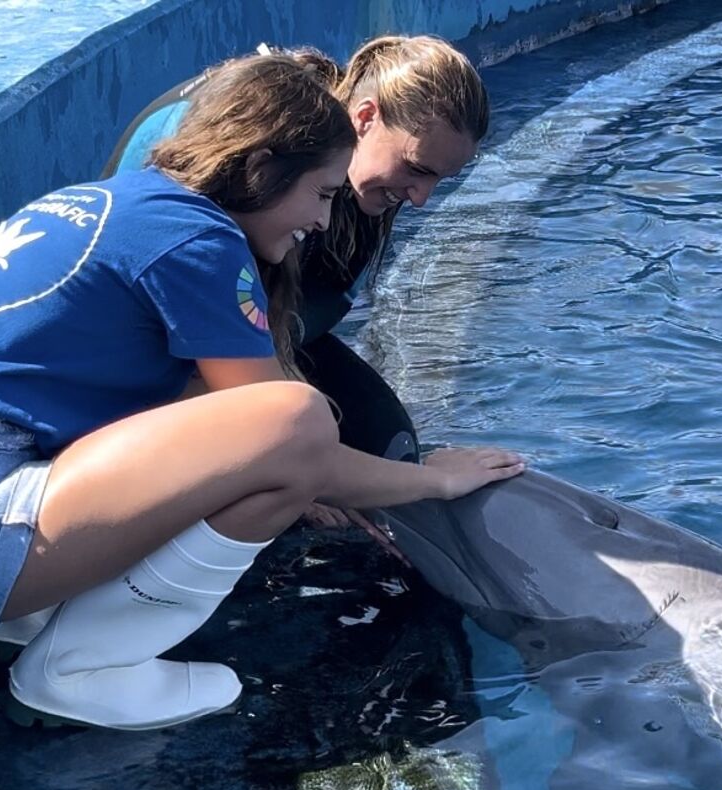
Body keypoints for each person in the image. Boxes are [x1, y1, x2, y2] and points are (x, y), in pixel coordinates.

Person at [0, 51, 524, 732]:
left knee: (263, 426)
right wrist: (432, 482)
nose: (323, 220)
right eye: (320, 193)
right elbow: (288, 443)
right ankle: (84, 666)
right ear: (263, 172)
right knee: (295, 419)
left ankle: (40, 618)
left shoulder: (138, 203)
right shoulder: (195, 241)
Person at [103, 37, 487, 484]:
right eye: (417, 169)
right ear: (364, 118)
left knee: (385, 445)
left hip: (251, 333)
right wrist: (318, 483)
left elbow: (295, 325)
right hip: (150, 341)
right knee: (283, 475)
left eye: (440, 179)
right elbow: (200, 355)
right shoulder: (258, 163)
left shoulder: (360, 185)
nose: (421, 199)